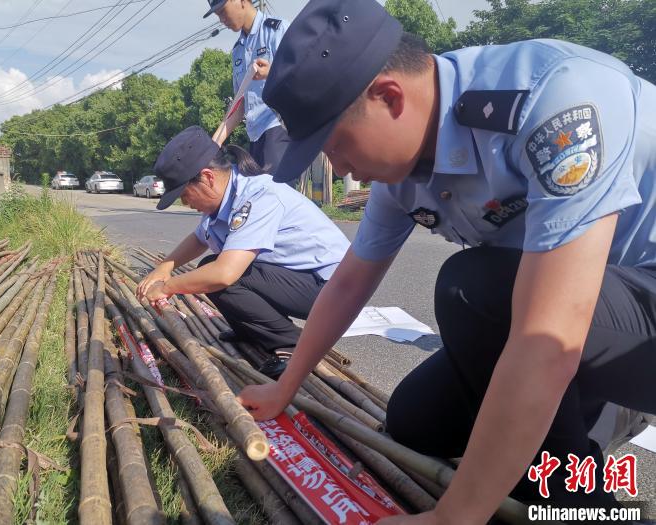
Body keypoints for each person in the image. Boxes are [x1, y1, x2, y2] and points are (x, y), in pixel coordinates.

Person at [237, 0, 656, 522]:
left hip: (635, 307)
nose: (340, 168)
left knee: (470, 289)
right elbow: (349, 282)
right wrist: (285, 385)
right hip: (585, 311)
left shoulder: (555, 105)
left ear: (389, 97)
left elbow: (547, 340)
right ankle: (580, 420)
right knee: (416, 423)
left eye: (336, 145)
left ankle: (575, 502)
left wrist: (450, 517)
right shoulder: (405, 170)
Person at [136, 126, 350, 378]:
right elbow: (199, 238)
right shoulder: (225, 198)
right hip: (304, 281)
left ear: (207, 177)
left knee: (220, 275)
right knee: (211, 264)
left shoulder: (258, 196)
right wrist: (166, 265)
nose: (186, 203)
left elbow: (224, 274)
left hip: (334, 290)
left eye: (184, 194)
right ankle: (251, 331)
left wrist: (167, 287)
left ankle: (292, 345)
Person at [203, 0, 291, 175]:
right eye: (217, 15)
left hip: (278, 129)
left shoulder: (276, 30)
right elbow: (239, 103)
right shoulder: (237, 51)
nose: (221, 20)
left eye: (222, 11)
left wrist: (271, 72)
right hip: (254, 136)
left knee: (275, 197)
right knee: (255, 197)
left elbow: (303, 74)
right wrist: (214, 143)